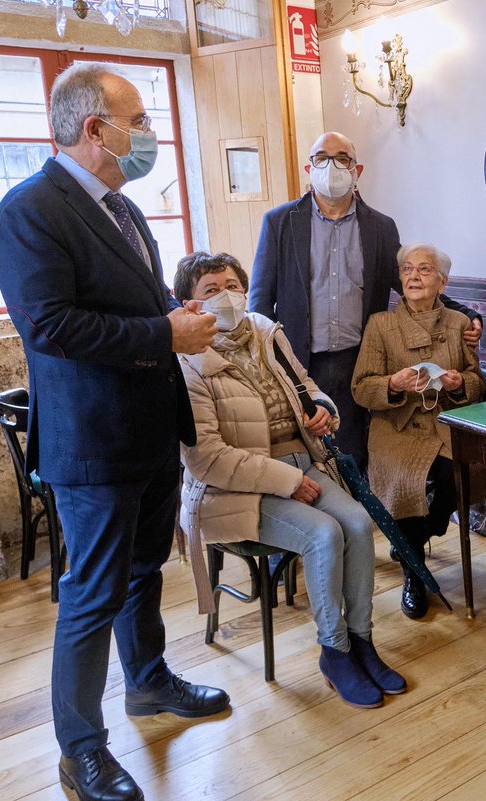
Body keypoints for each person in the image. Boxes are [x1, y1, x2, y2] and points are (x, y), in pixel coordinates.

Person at [0, 63, 228, 801]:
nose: (148, 133)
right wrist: (165, 329)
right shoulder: (29, 211)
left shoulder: (121, 207)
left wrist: (179, 321)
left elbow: (139, 300)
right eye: (139, 119)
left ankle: (148, 680)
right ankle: (81, 750)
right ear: (95, 128)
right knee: (90, 593)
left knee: (143, 570)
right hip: (93, 442)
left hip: (151, 429)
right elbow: (51, 326)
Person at [174, 252, 406, 710]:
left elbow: (308, 386)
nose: (227, 295)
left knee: (358, 525)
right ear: (189, 305)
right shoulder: (188, 362)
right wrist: (285, 480)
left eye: (233, 284)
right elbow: (207, 459)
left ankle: (362, 640)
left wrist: (324, 410)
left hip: (304, 460)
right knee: (323, 534)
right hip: (235, 488)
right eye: (211, 290)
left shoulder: (264, 331)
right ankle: (334, 651)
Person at [248, 132, 482, 474]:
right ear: (308, 167)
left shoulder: (380, 227)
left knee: (352, 454)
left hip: (356, 362)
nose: (331, 166)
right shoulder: (279, 222)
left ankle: (356, 521)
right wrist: (266, 361)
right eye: (321, 158)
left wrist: (466, 313)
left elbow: (409, 285)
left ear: (356, 169)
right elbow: (259, 300)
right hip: (296, 360)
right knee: (301, 456)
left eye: (341, 158)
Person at [350, 242, 484, 618]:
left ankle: (416, 538)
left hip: (444, 424)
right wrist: (393, 384)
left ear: (443, 281)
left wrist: (459, 384)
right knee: (402, 479)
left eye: (424, 270)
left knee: (463, 471)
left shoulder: (460, 325)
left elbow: (476, 380)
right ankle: (414, 573)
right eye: (407, 269)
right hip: (398, 426)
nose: (414, 276)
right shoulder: (381, 325)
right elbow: (361, 387)